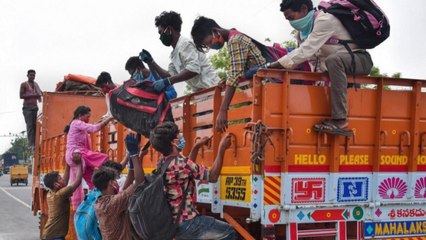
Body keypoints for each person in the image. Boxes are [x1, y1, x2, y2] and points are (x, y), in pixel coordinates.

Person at [268, 0, 374, 134]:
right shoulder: (301, 34)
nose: (291, 23)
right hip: (335, 70)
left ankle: (340, 120)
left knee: (334, 60)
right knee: (324, 68)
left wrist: (272, 65)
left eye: (291, 17)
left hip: (359, 60)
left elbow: (305, 51)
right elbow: (311, 61)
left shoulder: (325, 20)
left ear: (304, 9)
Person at [149, 122, 237, 239]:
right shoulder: (181, 163)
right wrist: (221, 148)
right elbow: (212, 177)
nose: (181, 137)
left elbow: (186, 171)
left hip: (173, 224)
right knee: (229, 232)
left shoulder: (162, 162)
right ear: (173, 142)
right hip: (188, 222)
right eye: (178, 135)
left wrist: (196, 146)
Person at [190, 16, 267, 133]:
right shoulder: (234, 37)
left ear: (215, 31)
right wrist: (228, 79)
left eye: (209, 42)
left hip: (266, 90)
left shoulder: (235, 40)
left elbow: (234, 75)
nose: (211, 46)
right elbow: (240, 72)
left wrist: (222, 110)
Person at [139, 11, 219, 94]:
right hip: (201, 93)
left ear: (169, 29)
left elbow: (194, 69)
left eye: (161, 32)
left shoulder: (185, 44)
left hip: (212, 88)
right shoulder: (174, 53)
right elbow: (169, 75)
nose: (160, 37)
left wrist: (168, 81)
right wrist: (151, 62)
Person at [93, 133, 145, 240]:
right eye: (115, 180)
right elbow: (139, 182)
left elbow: (124, 190)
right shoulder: (114, 203)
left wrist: (132, 163)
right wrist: (135, 154)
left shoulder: (99, 203)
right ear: (111, 183)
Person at [64, 105, 113, 209]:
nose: (88, 119)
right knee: (104, 158)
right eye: (87, 116)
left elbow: (91, 126)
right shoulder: (77, 123)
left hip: (76, 156)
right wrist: (109, 119)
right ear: (80, 115)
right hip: (78, 155)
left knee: (88, 181)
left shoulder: (77, 125)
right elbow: (93, 128)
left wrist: (101, 121)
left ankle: (87, 206)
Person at [74, 159, 129, 240]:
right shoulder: (107, 200)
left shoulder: (92, 194)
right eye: (116, 178)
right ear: (110, 182)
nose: (117, 181)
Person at [42, 159, 83, 240]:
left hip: (50, 234)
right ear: (56, 184)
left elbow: (65, 181)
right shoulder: (60, 195)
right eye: (60, 179)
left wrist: (68, 163)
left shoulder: (50, 194)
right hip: (55, 236)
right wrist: (79, 164)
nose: (63, 179)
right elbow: (78, 181)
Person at [19, 69, 42, 149]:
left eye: (34, 75)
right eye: (31, 75)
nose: (32, 76)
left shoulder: (36, 85)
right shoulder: (24, 84)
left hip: (34, 107)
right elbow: (21, 96)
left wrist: (40, 95)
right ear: (27, 75)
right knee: (30, 126)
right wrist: (33, 95)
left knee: (35, 125)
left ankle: (35, 143)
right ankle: (31, 144)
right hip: (27, 108)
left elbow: (40, 93)